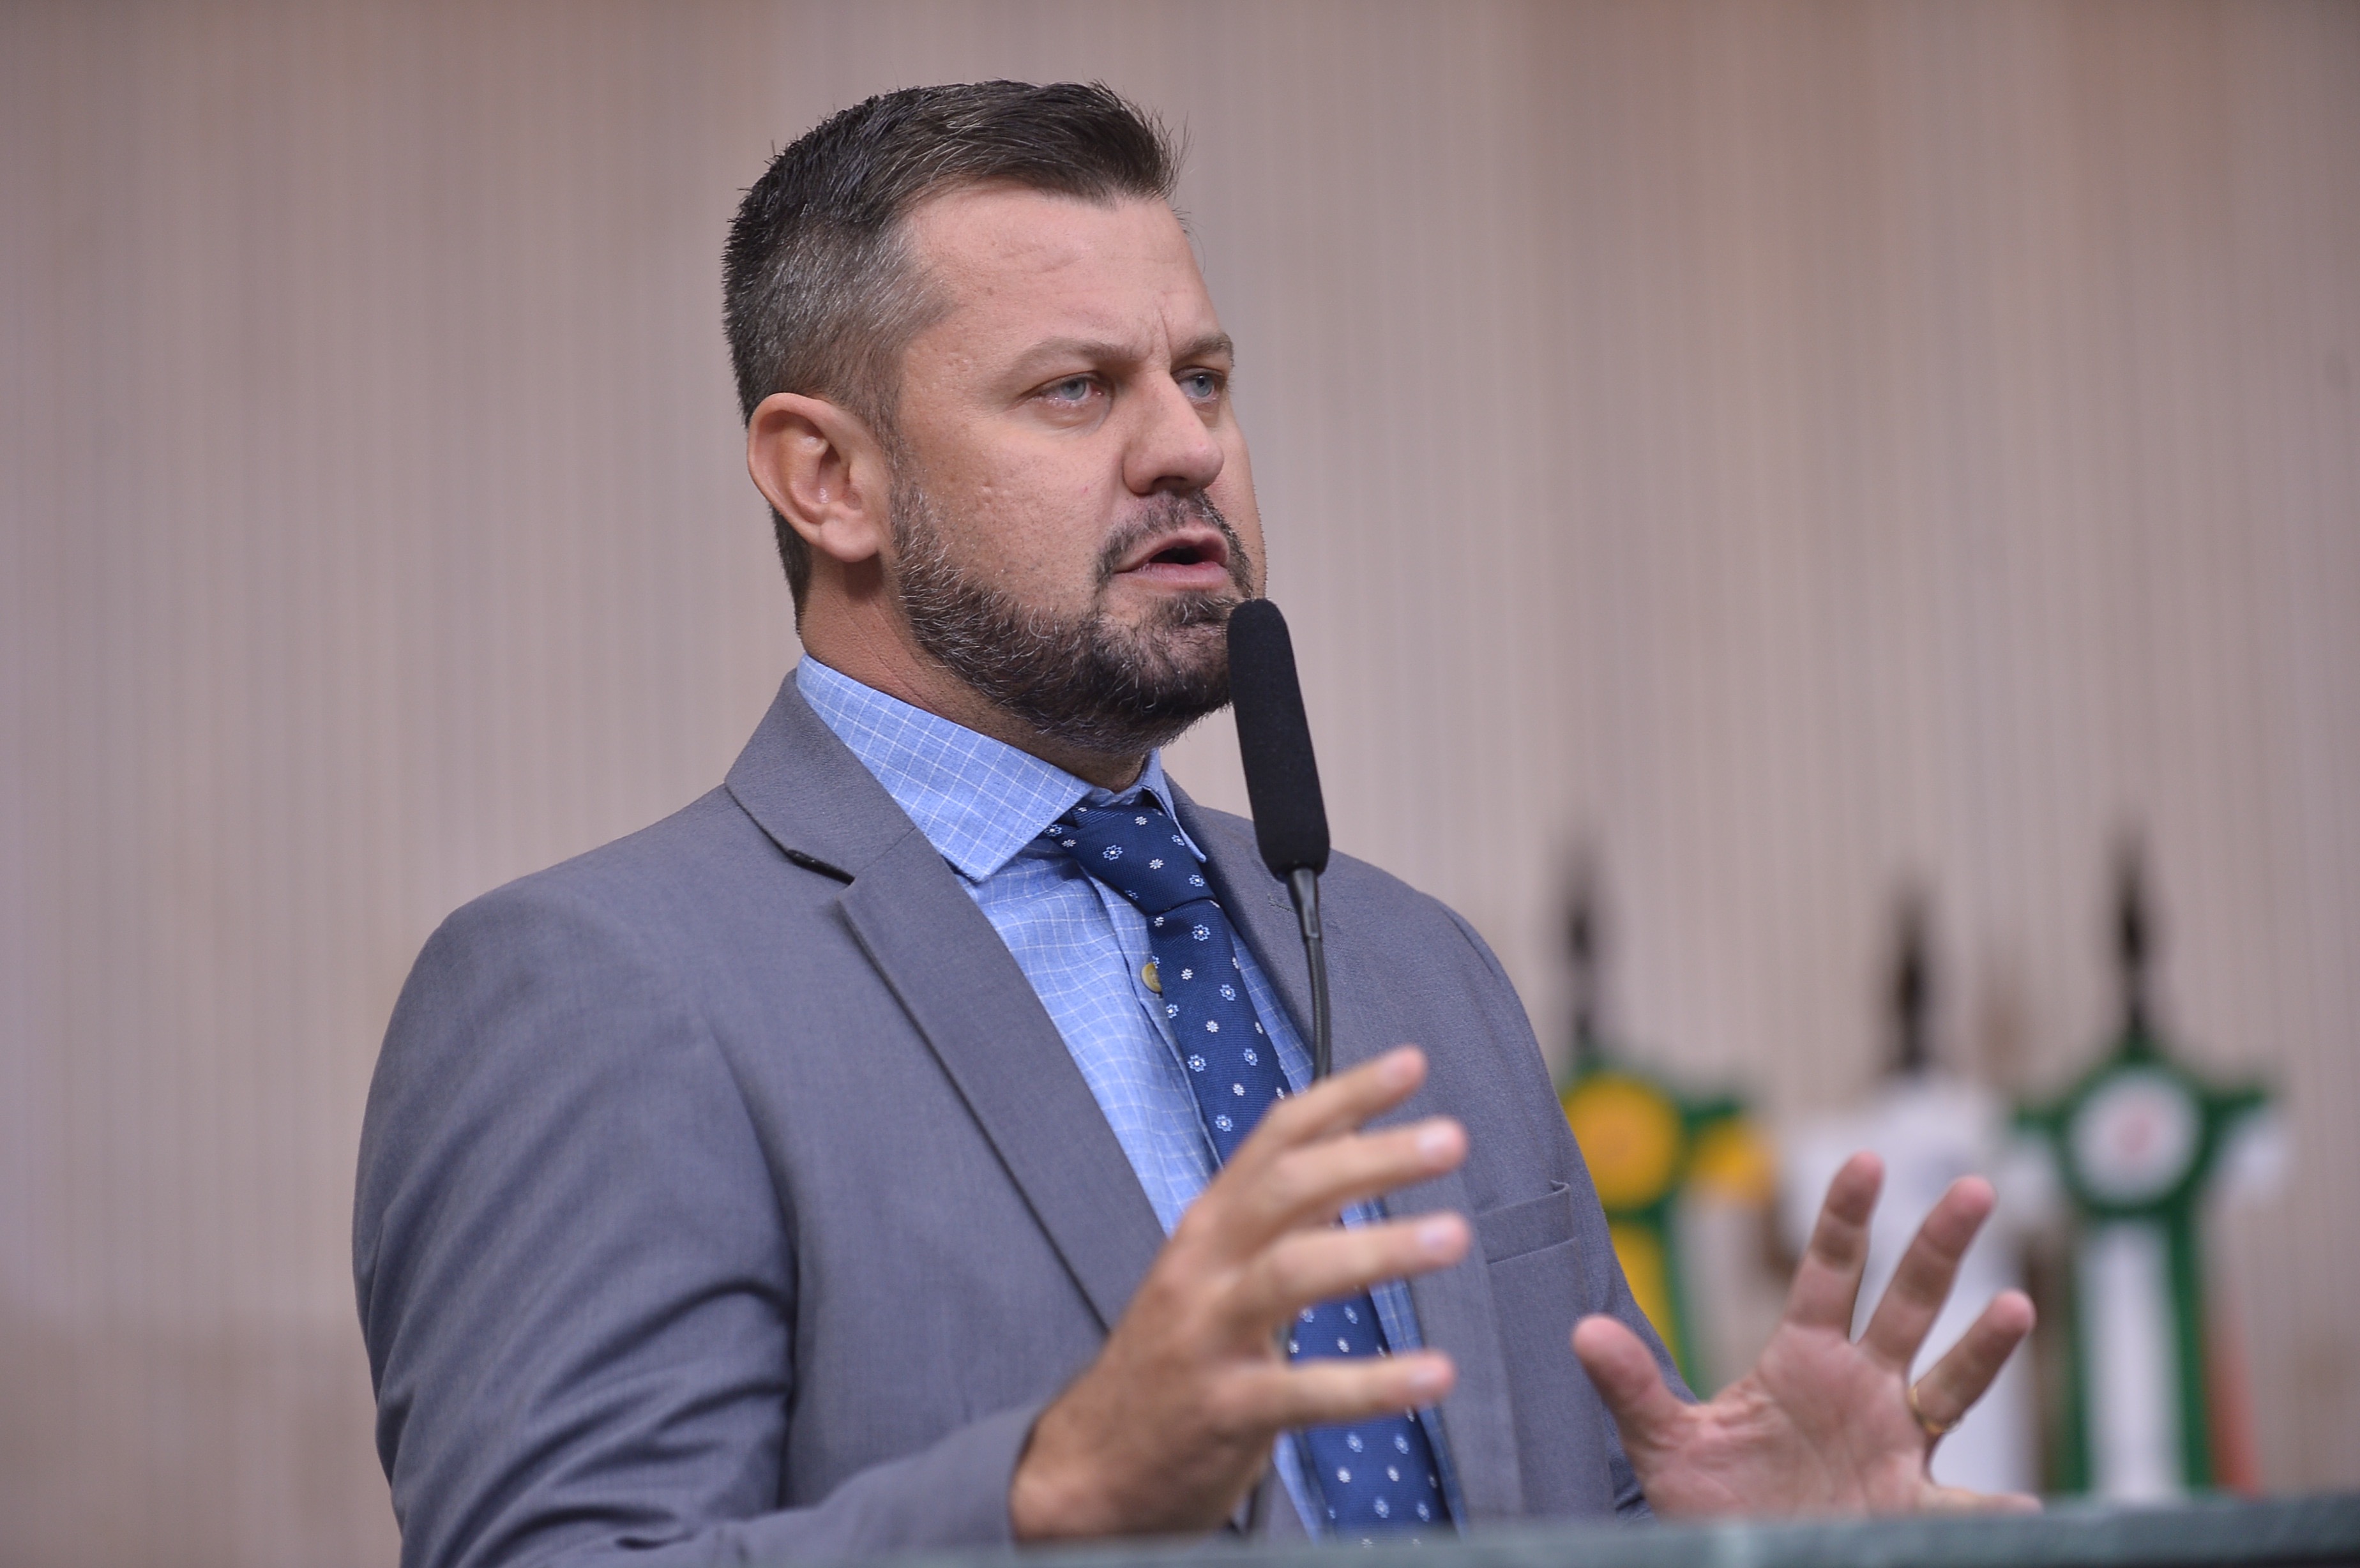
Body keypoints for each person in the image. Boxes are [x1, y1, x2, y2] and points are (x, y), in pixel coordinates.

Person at [353, 82, 2036, 1568]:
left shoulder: (1411, 959)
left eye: (1205, 378)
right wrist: (1049, 1491)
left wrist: (1727, 1546)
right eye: (1076, 390)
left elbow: (1550, 1507)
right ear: (828, 480)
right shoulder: (598, 990)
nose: (1189, 448)